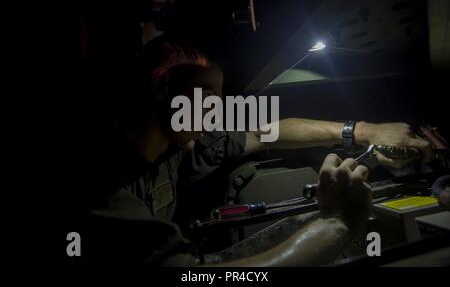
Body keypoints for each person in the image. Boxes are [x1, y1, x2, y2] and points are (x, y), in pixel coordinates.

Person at [63, 41, 433, 267]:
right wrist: (334, 225)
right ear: (162, 90)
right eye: (208, 94)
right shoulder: (99, 184)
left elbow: (263, 130)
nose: (219, 107)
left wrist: (363, 131)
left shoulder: (173, 148)